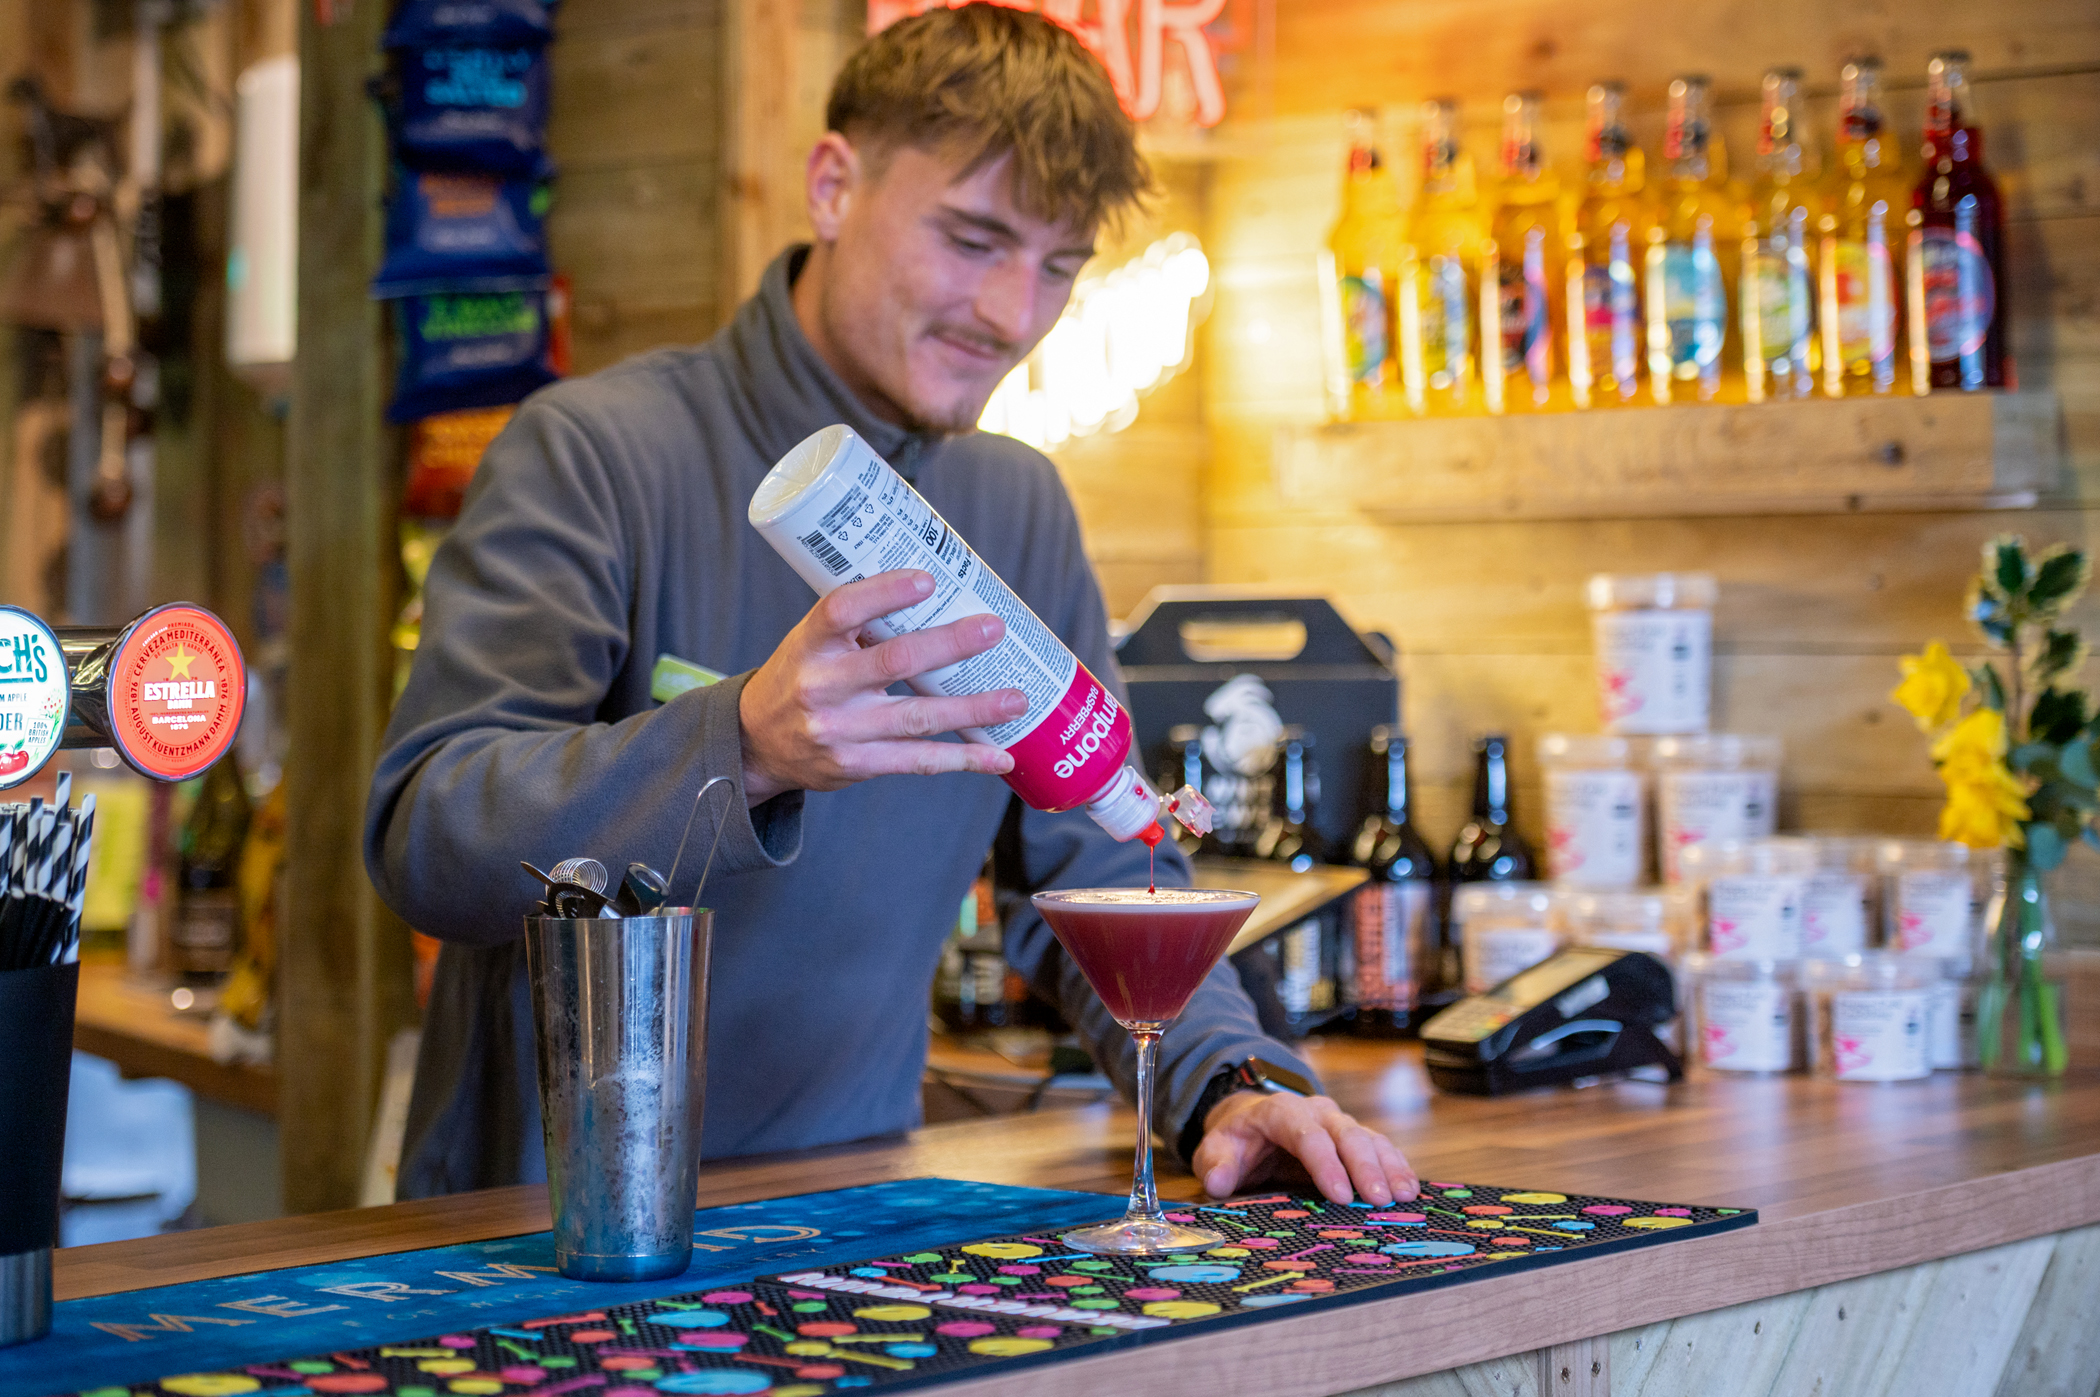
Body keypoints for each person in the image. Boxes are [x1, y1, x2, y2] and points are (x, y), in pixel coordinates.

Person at [365, 3, 1417, 1208]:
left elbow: (1100, 858)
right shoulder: (598, 450)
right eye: (972, 240)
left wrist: (1224, 1077)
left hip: (855, 1213)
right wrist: (742, 744)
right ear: (830, 185)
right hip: (541, 1226)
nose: (1012, 313)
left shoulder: (1015, 502)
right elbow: (425, 835)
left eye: (1059, 267)